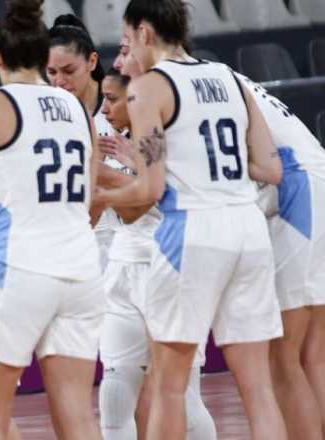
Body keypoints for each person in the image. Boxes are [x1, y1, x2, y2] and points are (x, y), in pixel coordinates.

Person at [96, 0, 285, 438]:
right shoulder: (231, 78)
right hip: (247, 226)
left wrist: (97, 191)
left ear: (144, 32)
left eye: (128, 39)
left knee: (169, 385)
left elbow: (149, 188)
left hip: (192, 233)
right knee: (257, 387)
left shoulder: (149, 88)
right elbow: (270, 167)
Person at [0, 0, 104, 438]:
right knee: (79, 418)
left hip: (19, 268)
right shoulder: (77, 109)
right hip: (81, 268)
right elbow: (88, 196)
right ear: (42, 57)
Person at [95, 63, 216, 440]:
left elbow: (155, 196)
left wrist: (104, 175)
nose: (105, 109)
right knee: (114, 393)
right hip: (123, 265)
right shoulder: (115, 142)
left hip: (168, 265)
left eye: (113, 100)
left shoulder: (160, 137)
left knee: (182, 396)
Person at [238, 72, 325, 440]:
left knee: (283, 357)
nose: (124, 57)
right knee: (314, 355)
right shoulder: (226, 77)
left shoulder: (178, 88)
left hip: (298, 190)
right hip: (314, 179)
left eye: (127, 46)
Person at [46, 13, 121, 270]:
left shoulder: (121, 104)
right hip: (77, 244)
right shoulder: (45, 118)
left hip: (131, 239)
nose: (59, 81)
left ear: (91, 61)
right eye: (51, 72)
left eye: (68, 71)